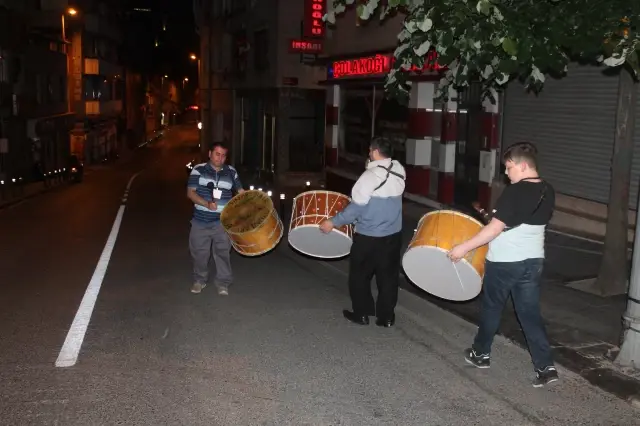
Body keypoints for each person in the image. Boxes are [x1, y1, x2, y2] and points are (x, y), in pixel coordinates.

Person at [448, 141, 558, 388]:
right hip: (533, 261)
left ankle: (481, 354)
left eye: (508, 167)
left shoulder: (516, 191)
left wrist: (463, 248)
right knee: (529, 314)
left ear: (521, 165)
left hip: (506, 262)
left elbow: (495, 229)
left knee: (492, 309)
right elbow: (525, 221)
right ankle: (546, 366)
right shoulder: (547, 189)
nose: (506, 173)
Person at [319, 137, 406, 327]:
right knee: (388, 278)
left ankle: (362, 313)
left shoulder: (368, 178)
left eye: (369, 151)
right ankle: (386, 318)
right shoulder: (399, 170)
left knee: (359, 276)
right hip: (393, 236)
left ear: (374, 152)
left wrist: (332, 222)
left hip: (369, 237)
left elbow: (355, 210)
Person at [187, 142, 244, 295]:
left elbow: (240, 192)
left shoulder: (231, 172)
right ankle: (200, 280)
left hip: (222, 222)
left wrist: (252, 202)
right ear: (210, 154)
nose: (220, 158)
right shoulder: (199, 170)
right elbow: (191, 193)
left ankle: (223, 283)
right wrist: (206, 203)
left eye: (223, 155)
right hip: (200, 221)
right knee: (199, 253)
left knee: (223, 253)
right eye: (217, 154)